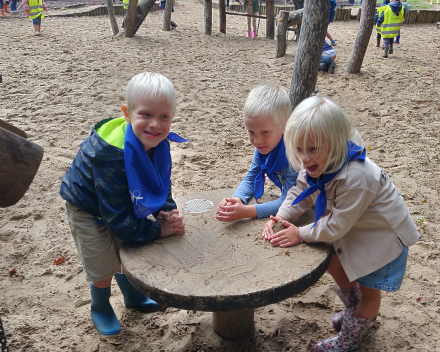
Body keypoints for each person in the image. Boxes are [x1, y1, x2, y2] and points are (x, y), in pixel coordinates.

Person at [261, 96, 419, 352]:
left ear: (335, 143)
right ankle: (355, 313)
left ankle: (350, 338)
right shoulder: (314, 164)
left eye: (313, 149)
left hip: (381, 239)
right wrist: (282, 217)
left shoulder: (357, 177)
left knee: (369, 292)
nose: (304, 158)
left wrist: (300, 233)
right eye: (299, 149)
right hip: (355, 229)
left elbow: (336, 226)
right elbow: (298, 194)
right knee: (332, 261)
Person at [60, 72, 187, 336]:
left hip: (117, 198)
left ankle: (131, 295)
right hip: (87, 206)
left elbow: (159, 180)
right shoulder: (112, 155)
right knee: (101, 261)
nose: (155, 124)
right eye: (146, 115)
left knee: (123, 250)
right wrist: (159, 230)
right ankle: (101, 306)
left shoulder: (157, 142)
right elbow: (118, 220)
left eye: (164, 116)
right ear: (127, 113)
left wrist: (167, 211)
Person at [215, 83, 298, 222]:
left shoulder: (296, 155)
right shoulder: (264, 146)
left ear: (285, 126)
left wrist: (247, 211)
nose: (257, 140)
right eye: (251, 131)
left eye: (265, 132)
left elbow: (288, 202)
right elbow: (251, 177)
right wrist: (236, 199)